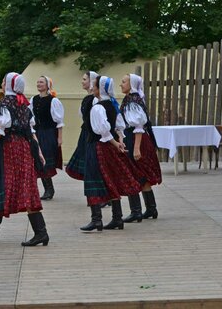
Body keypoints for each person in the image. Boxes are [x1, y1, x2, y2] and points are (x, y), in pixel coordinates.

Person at [0, 73, 49, 247]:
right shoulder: (23, 104)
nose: (1, 84)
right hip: (24, 147)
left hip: (12, 149)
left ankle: (41, 232)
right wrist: (38, 152)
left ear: (9, 85)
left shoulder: (5, 104)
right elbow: (30, 132)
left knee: (24, 187)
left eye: (3, 81)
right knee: (0, 182)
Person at [80, 76, 141, 232]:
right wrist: (119, 141)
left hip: (98, 147)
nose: (92, 88)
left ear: (100, 89)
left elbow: (103, 132)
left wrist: (116, 143)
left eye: (94, 86)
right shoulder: (113, 105)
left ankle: (96, 220)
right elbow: (119, 127)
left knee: (93, 180)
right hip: (110, 148)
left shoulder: (98, 108)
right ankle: (117, 218)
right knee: (111, 180)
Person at [120, 73, 162, 222]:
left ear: (131, 84)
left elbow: (138, 126)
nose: (121, 84)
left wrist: (136, 148)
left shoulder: (132, 101)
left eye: (124, 82)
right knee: (141, 174)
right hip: (136, 139)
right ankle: (151, 209)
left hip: (136, 139)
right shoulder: (133, 99)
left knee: (132, 173)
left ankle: (136, 211)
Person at [30, 76, 64, 200]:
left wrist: (59, 138)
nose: (39, 84)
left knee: (45, 161)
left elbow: (59, 121)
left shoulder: (53, 101)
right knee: (38, 160)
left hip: (49, 133)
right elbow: (31, 118)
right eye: (37, 82)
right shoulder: (33, 99)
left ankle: (49, 189)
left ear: (47, 85)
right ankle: (48, 188)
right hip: (37, 133)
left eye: (41, 82)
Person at [65, 71, 99, 180]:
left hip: (91, 133)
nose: (82, 82)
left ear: (92, 81)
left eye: (85, 79)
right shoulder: (87, 98)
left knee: (91, 161)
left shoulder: (95, 99)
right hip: (85, 132)